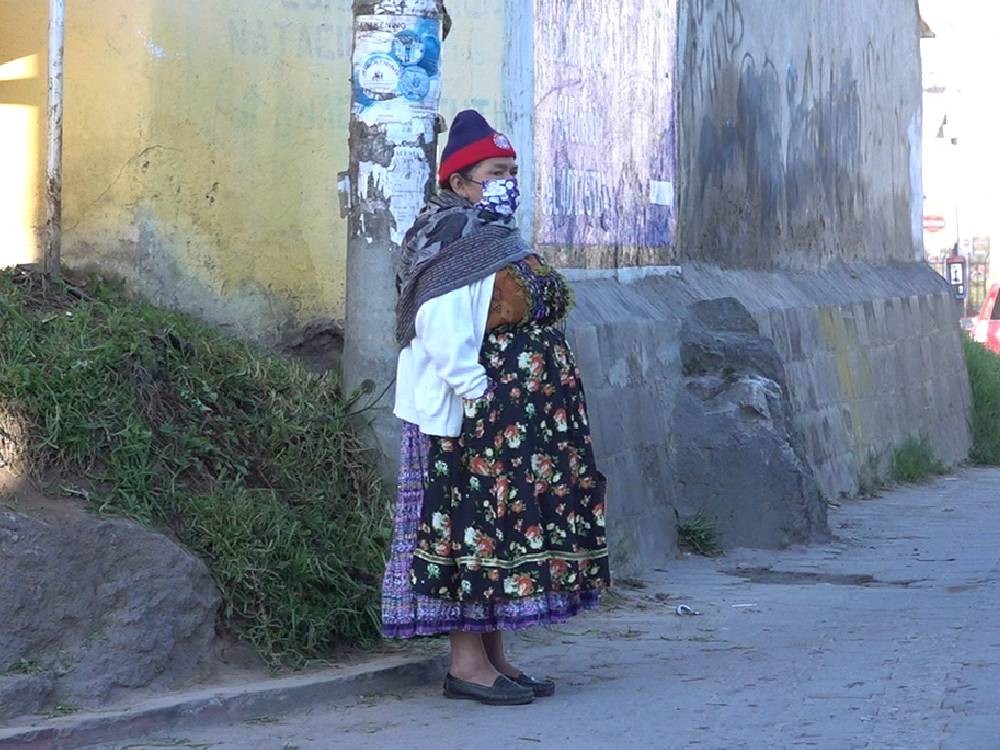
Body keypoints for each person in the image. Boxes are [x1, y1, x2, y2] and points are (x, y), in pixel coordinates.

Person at [381, 110, 611, 706]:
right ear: (460, 181)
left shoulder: (493, 234)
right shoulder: (452, 237)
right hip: (468, 417)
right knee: (469, 531)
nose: (507, 180)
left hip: (509, 421)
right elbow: (437, 325)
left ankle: (495, 656)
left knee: (500, 532)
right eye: (494, 171)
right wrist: (481, 394)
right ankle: (465, 665)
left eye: (512, 170)